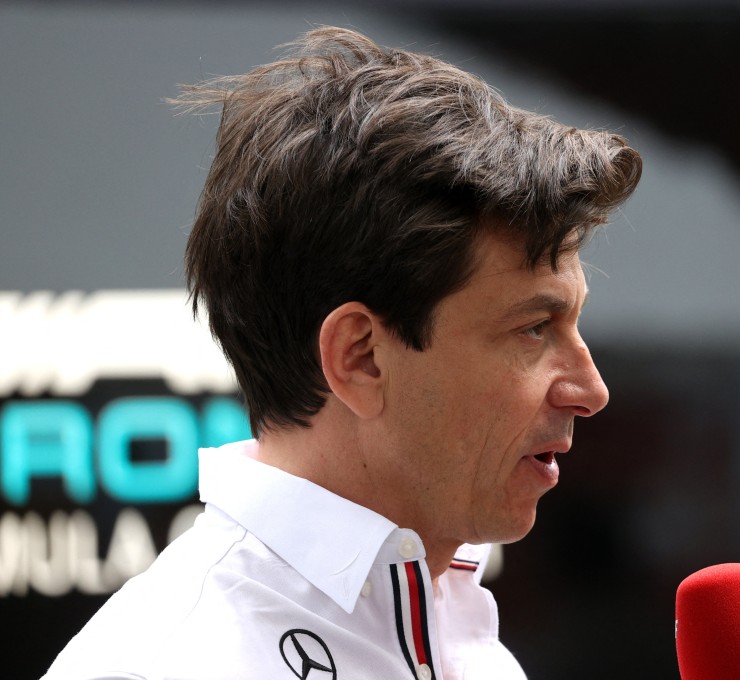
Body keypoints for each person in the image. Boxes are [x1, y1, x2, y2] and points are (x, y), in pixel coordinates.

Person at [43, 26, 641, 680]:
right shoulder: (173, 660)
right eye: (534, 328)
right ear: (360, 356)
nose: (590, 389)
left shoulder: (464, 637)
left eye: (573, 324)